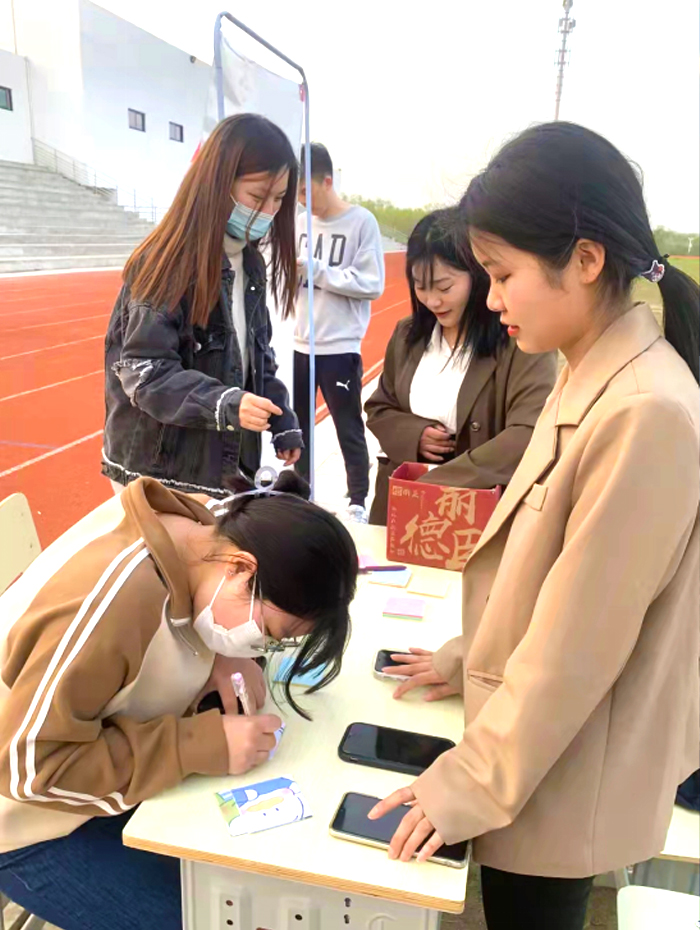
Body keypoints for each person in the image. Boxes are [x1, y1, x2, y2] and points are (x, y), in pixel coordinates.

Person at [369, 123, 700, 930]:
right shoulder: (590, 369)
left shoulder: (646, 410)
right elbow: (550, 577)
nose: (491, 299)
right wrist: (469, 657)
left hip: (559, 773)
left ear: (584, 260)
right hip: (536, 755)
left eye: (503, 273)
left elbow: (580, 648)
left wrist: (465, 783)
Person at [0, 471, 357, 929]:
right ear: (241, 569)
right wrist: (195, 745)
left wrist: (222, 653)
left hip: (97, 777)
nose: (262, 647)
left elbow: (191, 608)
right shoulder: (113, 605)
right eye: (268, 633)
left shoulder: (204, 531)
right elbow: (29, 770)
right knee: (219, 916)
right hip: (29, 821)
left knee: (259, 884)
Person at [102, 114, 303, 498]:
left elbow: (255, 357)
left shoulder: (251, 263)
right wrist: (226, 403)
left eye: (278, 199)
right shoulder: (168, 262)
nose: (268, 211)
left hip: (218, 467)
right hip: (160, 474)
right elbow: (146, 373)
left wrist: (281, 416)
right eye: (257, 197)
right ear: (217, 184)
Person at [364, 208, 557, 525]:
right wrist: (414, 435)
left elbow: (530, 433)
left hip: (480, 514)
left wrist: (442, 480)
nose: (432, 301)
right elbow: (379, 407)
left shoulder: (520, 339)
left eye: (444, 287)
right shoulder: (408, 334)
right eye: (420, 286)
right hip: (402, 510)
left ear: (479, 277)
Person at [293, 142, 385, 522]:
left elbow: (371, 284)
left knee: (348, 427)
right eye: (296, 193)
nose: (301, 200)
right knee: (297, 426)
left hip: (339, 346)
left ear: (327, 181)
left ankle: (358, 500)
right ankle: (301, 494)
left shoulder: (361, 222)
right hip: (299, 344)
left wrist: (316, 270)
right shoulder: (298, 223)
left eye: (305, 190)